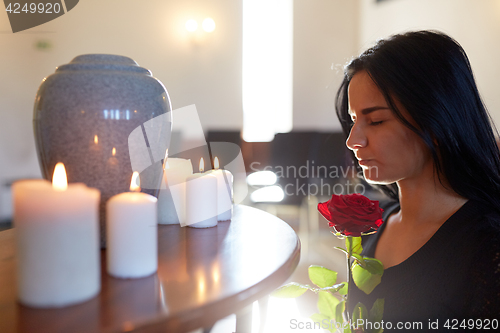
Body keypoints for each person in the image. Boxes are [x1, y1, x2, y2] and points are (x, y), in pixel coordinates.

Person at [335, 30, 500, 330]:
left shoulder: (487, 248)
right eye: (354, 120)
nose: (352, 140)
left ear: (436, 121)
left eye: (376, 121)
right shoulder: (372, 226)